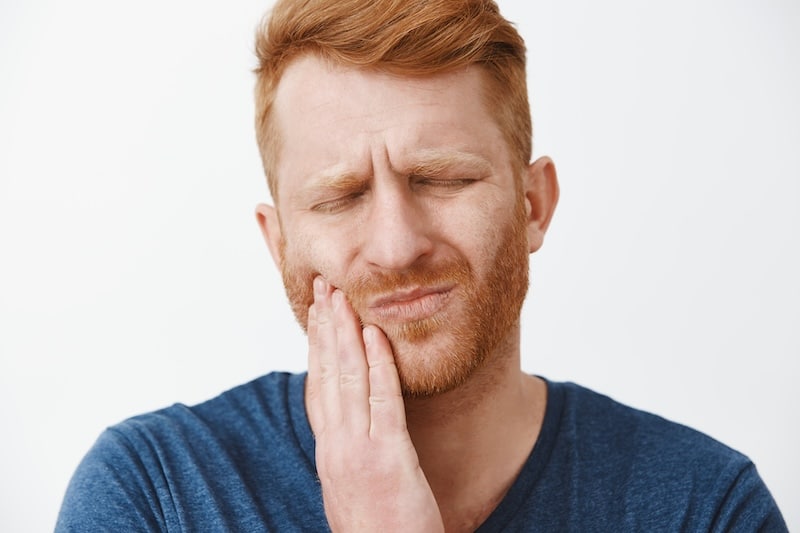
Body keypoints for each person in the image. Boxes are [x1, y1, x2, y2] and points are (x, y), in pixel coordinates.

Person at [56, 0, 787, 531]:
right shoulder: (155, 493)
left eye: (440, 178)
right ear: (277, 243)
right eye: (341, 196)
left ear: (534, 204)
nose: (397, 244)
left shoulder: (705, 505)